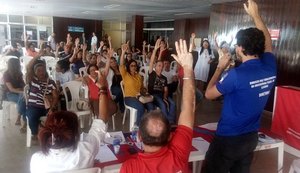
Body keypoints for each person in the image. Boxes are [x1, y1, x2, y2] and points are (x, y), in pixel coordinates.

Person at [203, 1, 277, 173]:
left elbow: (208, 94)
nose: (235, 47)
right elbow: (268, 43)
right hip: (251, 137)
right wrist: (256, 16)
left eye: (237, 44)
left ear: (241, 48)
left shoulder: (236, 75)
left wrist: (220, 67)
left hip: (228, 139)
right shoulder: (269, 66)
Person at [120, 39, 195, 173]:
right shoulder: (179, 154)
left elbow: (187, 107)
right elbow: (189, 107)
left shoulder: (130, 168)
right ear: (169, 137)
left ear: (139, 137)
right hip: (133, 98)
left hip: (145, 97)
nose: (133, 67)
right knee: (151, 105)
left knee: (157, 104)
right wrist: (188, 69)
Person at [30, 70, 110, 173]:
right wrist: (103, 88)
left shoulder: (37, 160)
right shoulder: (85, 150)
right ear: (76, 132)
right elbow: (102, 119)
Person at [26, 52, 59, 141]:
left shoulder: (51, 82)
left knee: (55, 117)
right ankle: (35, 133)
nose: (41, 72)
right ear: (35, 72)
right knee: (32, 116)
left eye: (43, 70)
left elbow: (55, 96)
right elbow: (28, 67)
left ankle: (50, 134)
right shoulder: (33, 80)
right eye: (38, 70)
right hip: (34, 107)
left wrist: (52, 108)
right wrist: (37, 56)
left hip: (47, 107)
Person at [119, 42, 154, 125]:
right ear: (128, 66)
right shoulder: (125, 74)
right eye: (132, 65)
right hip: (129, 98)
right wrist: (123, 52)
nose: (134, 67)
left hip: (140, 97)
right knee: (141, 107)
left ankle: (148, 124)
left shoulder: (139, 76)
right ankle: (137, 126)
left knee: (151, 107)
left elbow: (141, 88)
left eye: (135, 65)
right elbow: (121, 64)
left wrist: (145, 91)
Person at [148, 38, 176, 124]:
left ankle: (170, 121)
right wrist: (156, 49)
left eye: (162, 65)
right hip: (154, 95)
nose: (161, 67)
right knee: (163, 106)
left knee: (173, 103)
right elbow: (152, 61)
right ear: (155, 67)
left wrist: (165, 96)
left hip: (161, 94)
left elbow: (166, 90)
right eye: (159, 65)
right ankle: (166, 123)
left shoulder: (164, 78)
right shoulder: (152, 73)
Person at [2, 58, 27, 131]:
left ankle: (19, 116)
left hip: (19, 93)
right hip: (9, 94)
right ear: (14, 65)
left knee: (24, 98)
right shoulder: (6, 74)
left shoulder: (19, 73)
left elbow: (23, 85)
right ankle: (24, 122)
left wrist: (22, 89)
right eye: (18, 64)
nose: (20, 65)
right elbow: (11, 89)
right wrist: (20, 90)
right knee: (24, 98)